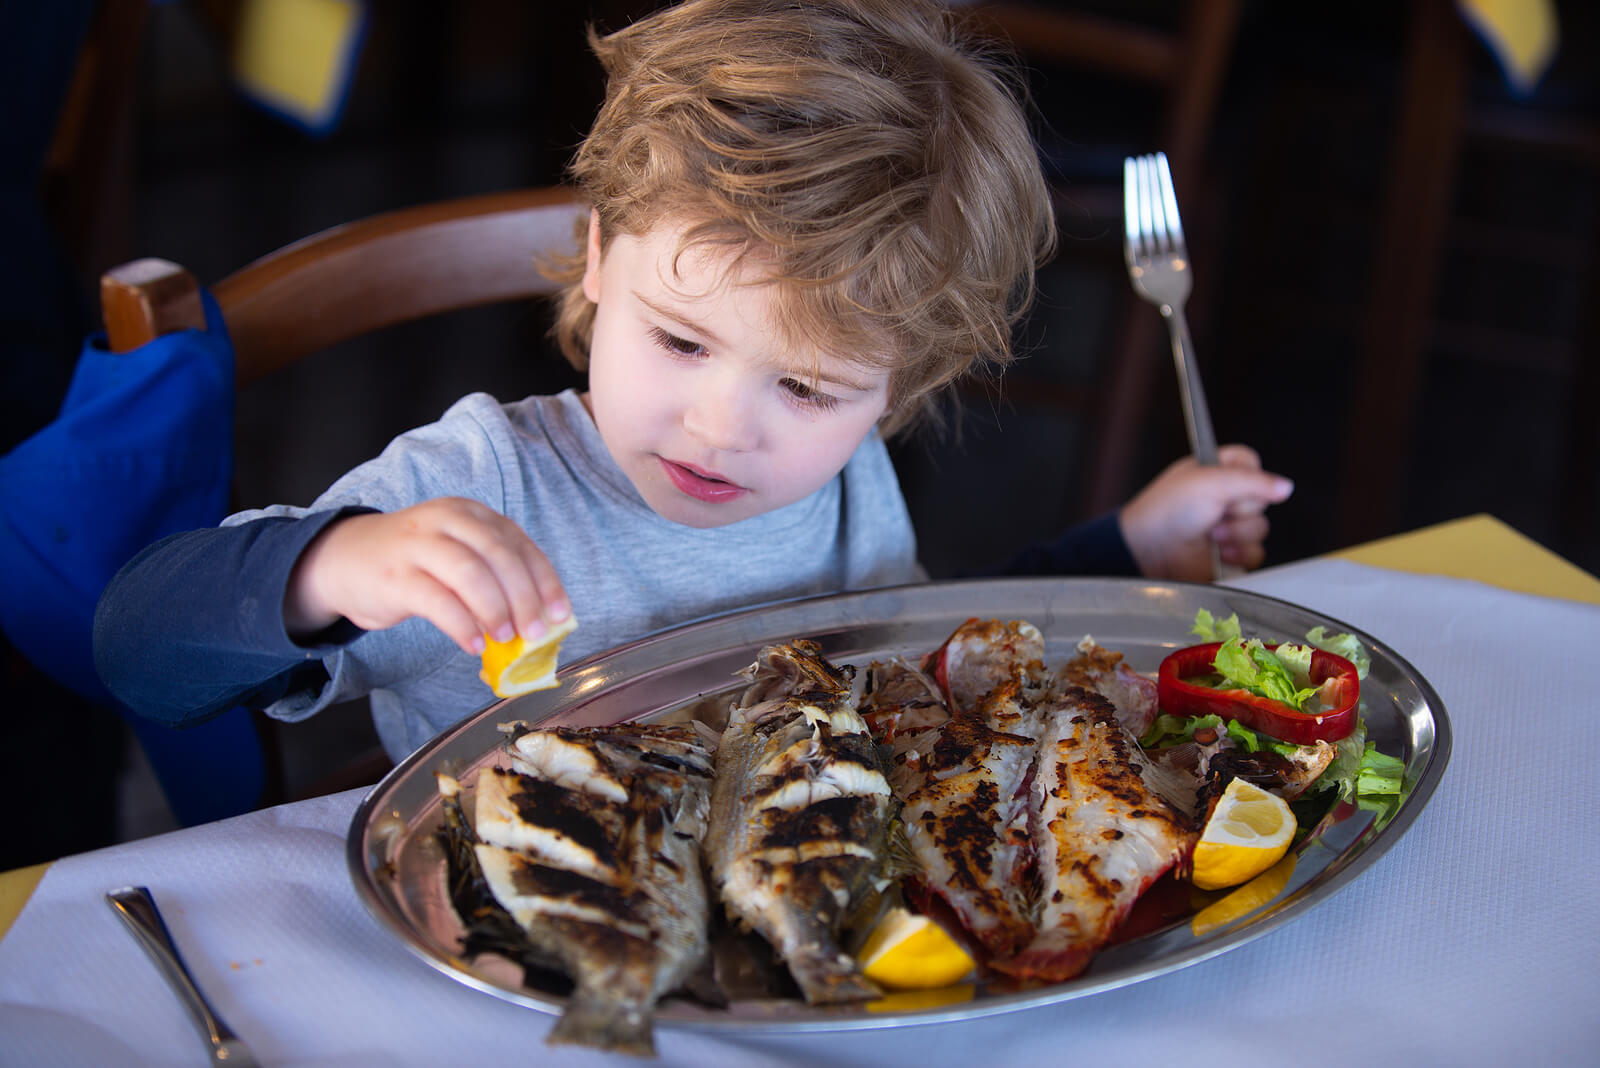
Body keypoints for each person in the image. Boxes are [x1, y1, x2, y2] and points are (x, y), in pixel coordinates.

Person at [94, 0, 1292, 764]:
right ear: (602, 259)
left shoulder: (845, 481)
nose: (722, 428)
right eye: (680, 342)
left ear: (899, 387)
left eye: (811, 392)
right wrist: (329, 567)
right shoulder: (478, 485)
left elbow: (927, 642)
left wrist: (1127, 548)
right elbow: (137, 649)